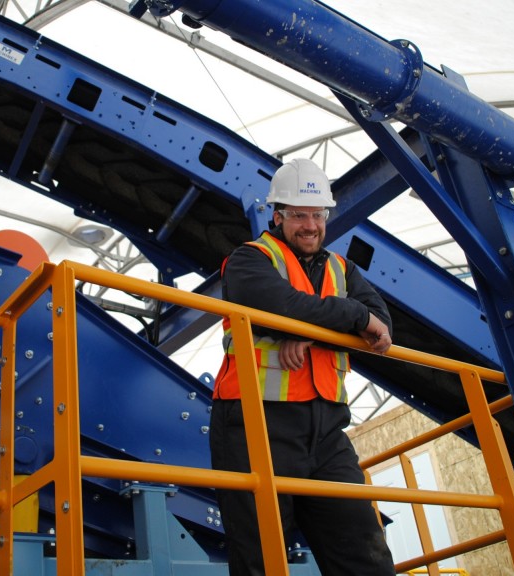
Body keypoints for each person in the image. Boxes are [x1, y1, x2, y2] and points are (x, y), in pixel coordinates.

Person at [209, 158, 396, 576]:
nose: (310, 225)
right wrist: (347, 318)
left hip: (327, 434)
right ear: (278, 216)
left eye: (317, 215)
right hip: (255, 423)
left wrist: (307, 331)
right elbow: (283, 305)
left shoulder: (342, 269)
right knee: (261, 561)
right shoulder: (249, 260)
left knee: (366, 557)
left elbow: (381, 325)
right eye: (298, 215)